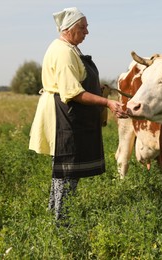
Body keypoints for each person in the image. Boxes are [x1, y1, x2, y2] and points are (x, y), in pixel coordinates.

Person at [29, 7, 127, 224]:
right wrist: (108, 103)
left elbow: (76, 80)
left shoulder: (67, 47)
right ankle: (62, 222)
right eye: (83, 27)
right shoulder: (64, 53)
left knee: (63, 169)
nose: (87, 32)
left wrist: (95, 86)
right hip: (64, 115)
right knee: (67, 167)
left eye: (86, 27)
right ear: (68, 29)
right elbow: (73, 93)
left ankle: (53, 212)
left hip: (65, 112)